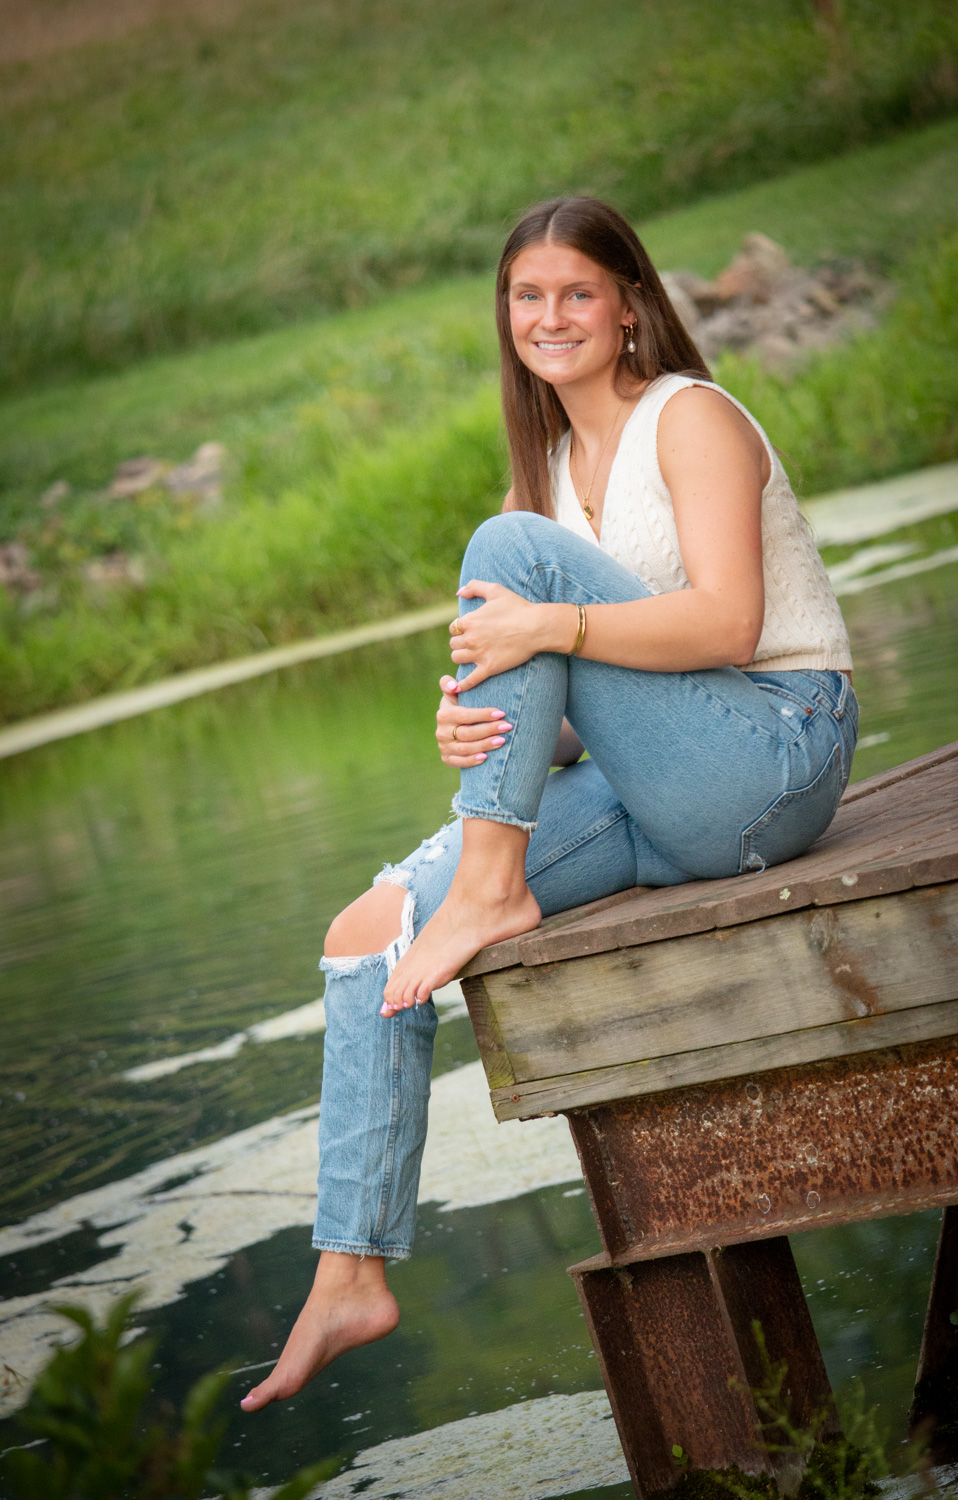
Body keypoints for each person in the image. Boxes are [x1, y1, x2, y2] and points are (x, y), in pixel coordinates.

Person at [241, 196, 857, 1411]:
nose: (550, 316)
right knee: (367, 936)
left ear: (629, 304)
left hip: (775, 752)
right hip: (659, 785)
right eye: (527, 296)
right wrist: (484, 721)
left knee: (508, 554)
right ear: (506, 316)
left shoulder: (690, 417)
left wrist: (544, 626)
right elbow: (588, 705)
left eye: (577, 291)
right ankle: (351, 1270)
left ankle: (489, 887)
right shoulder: (553, 476)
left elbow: (728, 626)